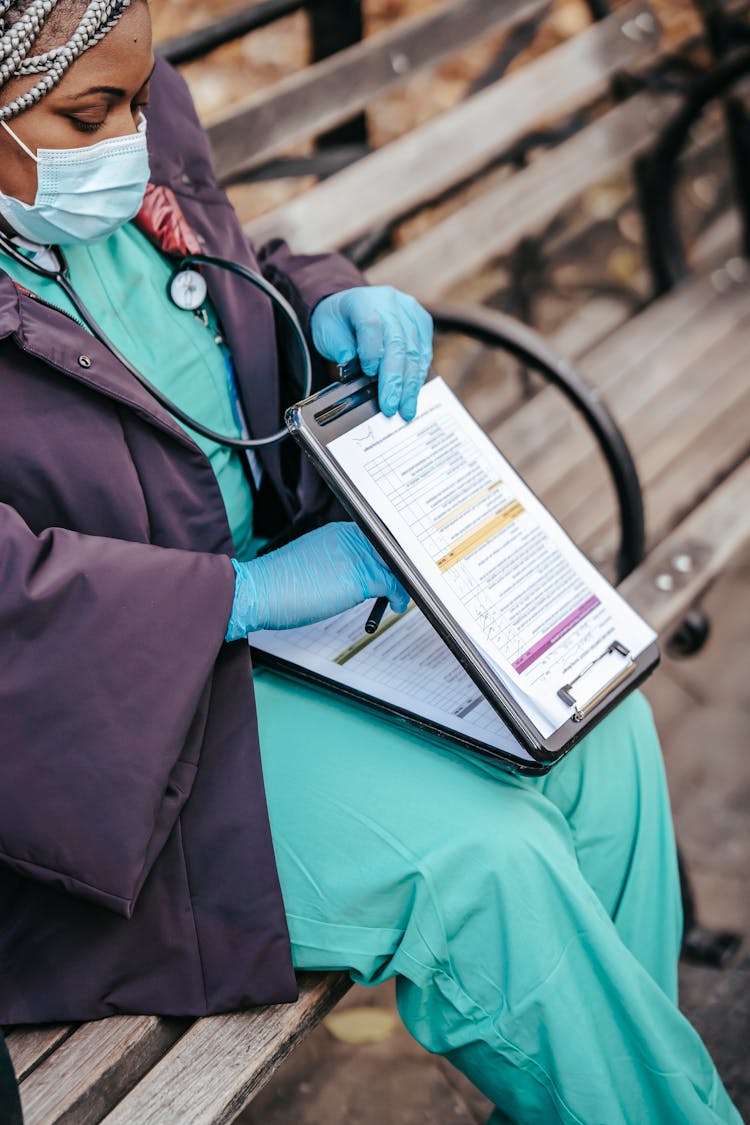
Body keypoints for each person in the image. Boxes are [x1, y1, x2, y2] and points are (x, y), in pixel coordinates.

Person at [0, 2, 740, 1122]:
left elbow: (234, 270)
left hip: (292, 609)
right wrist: (237, 599)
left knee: (599, 731)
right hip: (123, 729)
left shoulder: (125, 118)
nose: (138, 140)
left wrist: (329, 297)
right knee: (486, 867)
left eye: (144, 98)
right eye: (91, 112)